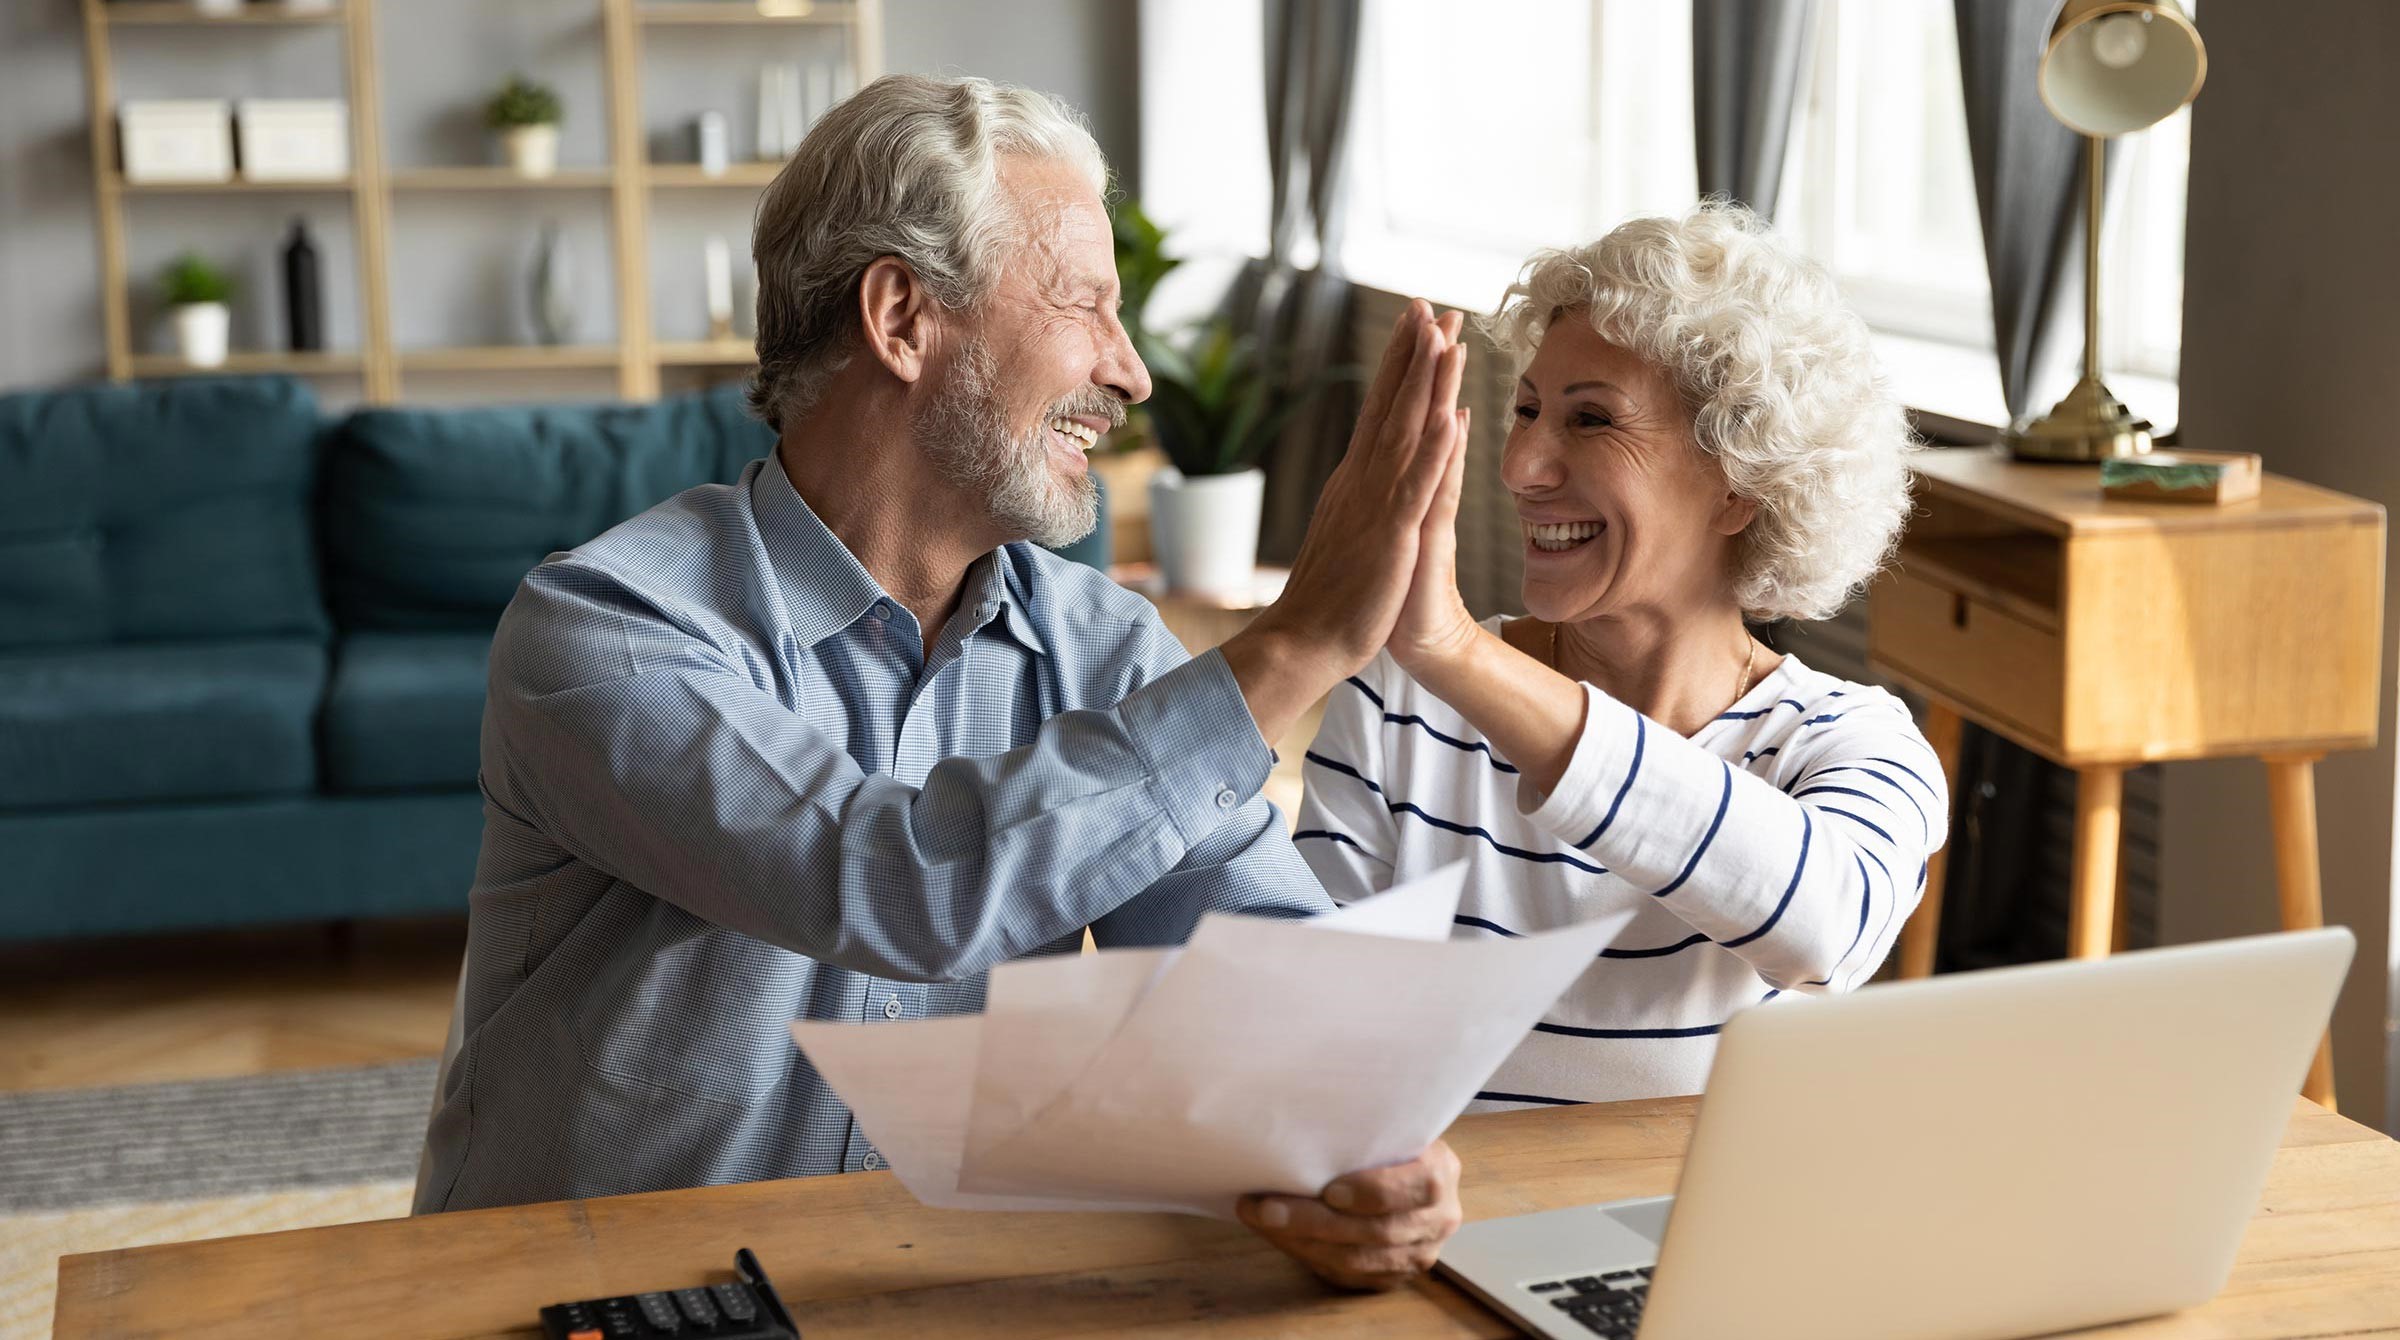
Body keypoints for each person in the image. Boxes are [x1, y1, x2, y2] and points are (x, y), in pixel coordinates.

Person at [415, 74, 1470, 1291]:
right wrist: (1292, 648)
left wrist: (1357, 1133)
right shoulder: (605, 627)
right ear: (902, 317)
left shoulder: (1103, 648)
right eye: (1086, 305)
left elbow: (1257, 961)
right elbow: (890, 880)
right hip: (585, 1300)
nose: (1129, 374)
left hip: (911, 1291)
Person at [1296, 203, 1948, 1109]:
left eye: (1591, 421)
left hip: (1711, 1240)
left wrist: (1456, 653)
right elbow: (1309, 1034)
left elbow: (1824, 927)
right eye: (1525, 410)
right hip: (1444, 1230)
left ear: (1740, 485)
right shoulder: (1402, 700)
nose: (1523, 464)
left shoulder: (1849, 743)